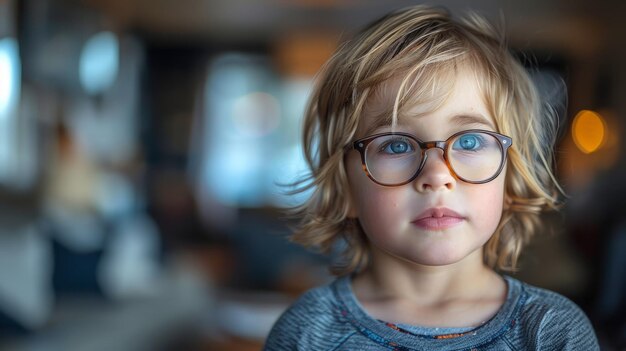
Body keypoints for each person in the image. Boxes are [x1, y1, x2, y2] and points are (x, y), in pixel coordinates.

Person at [264, 5, 599, 350]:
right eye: (395, 145)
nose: (437, 175)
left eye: (469, 141)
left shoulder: (552, 331)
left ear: (509, 179)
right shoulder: (307, 332)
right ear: (345, 187)